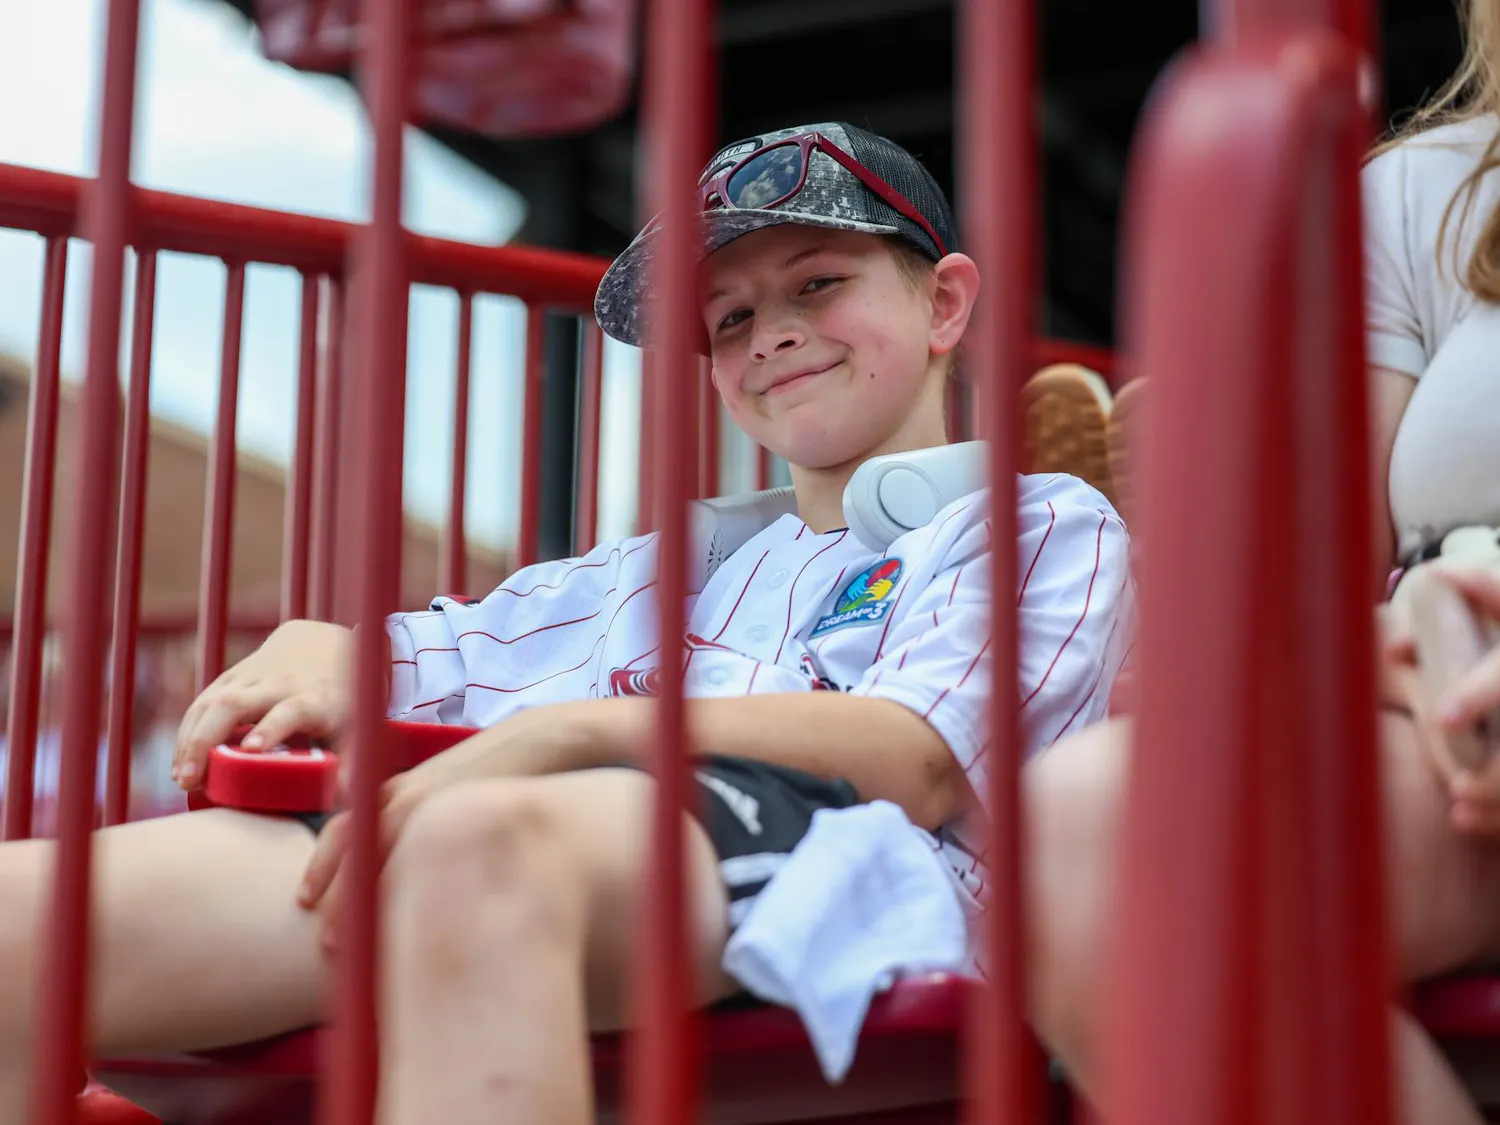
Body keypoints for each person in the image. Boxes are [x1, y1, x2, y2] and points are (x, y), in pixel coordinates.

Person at [0, 123, 1134, 1124]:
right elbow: (442, 655)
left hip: (859, 877)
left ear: (942, 303)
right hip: (570, 851)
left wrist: (576, 736)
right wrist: (333, 646)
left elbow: (922, 757)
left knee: (477, 843)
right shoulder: (667, 566)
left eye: (818, 283)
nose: (769, 333)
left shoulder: (1034, 517)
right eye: (729, 316)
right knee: (21, 922)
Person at [1021, 5, 1500, 1121]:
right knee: (1097, 843)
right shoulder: (1430, 193)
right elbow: (1313, 577)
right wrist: (1376, 647)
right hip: (1450, 686)